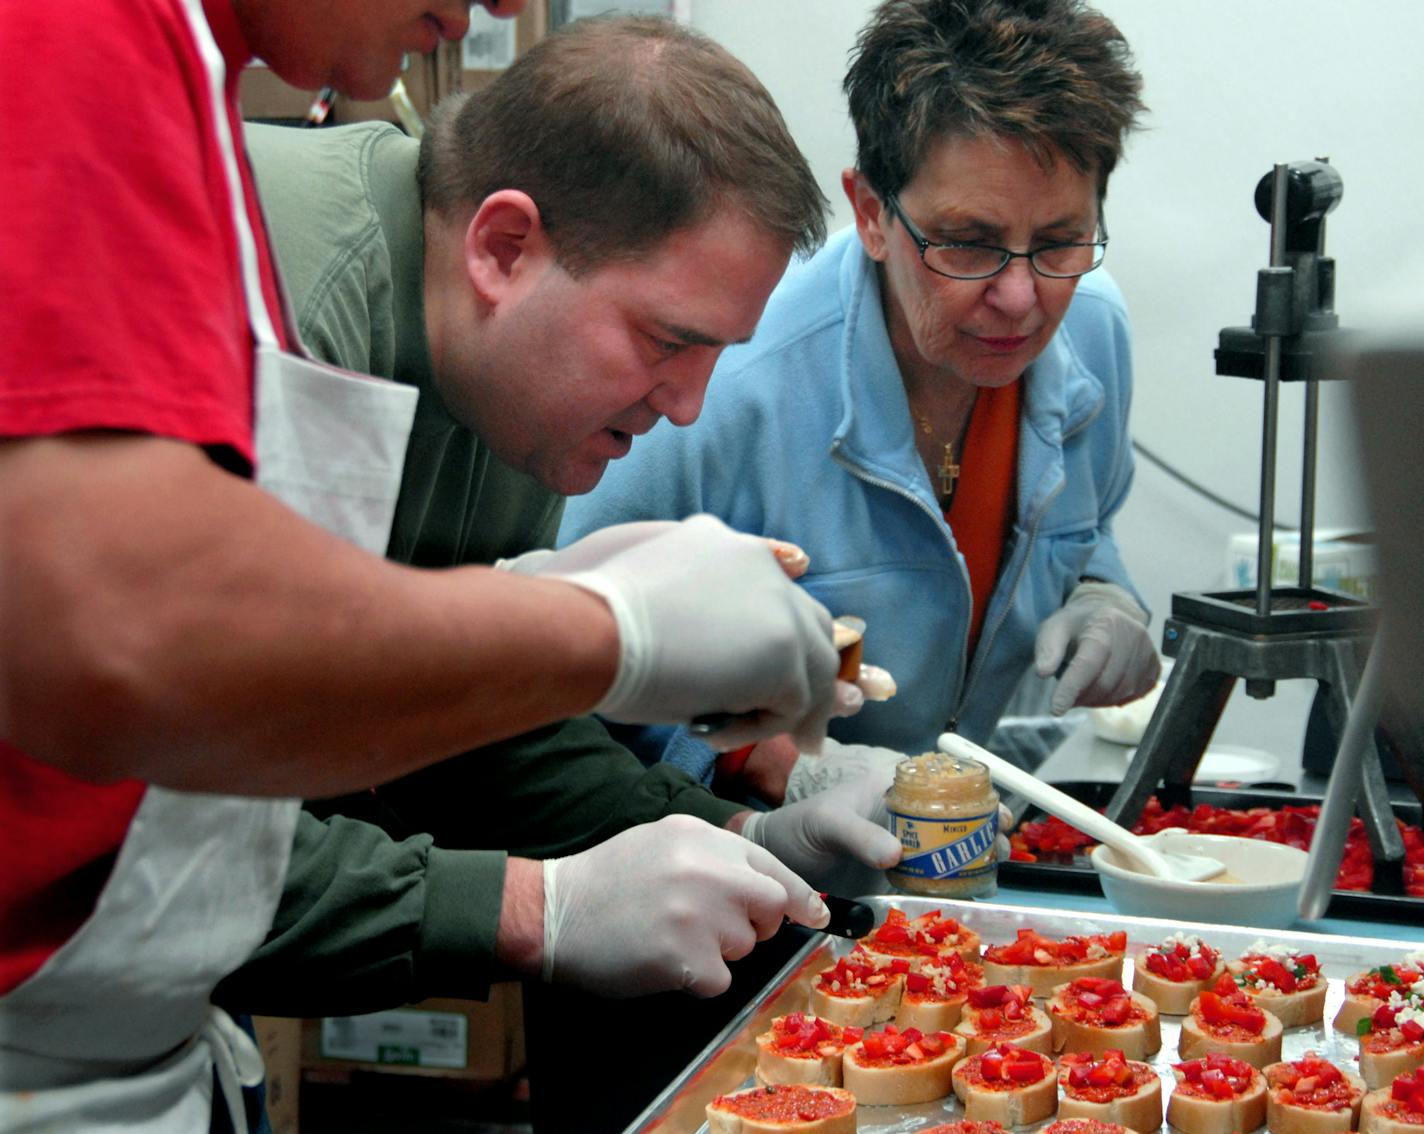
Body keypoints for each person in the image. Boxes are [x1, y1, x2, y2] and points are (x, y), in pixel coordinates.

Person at [0, 4, 887, 1131]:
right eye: (666, 341)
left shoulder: (511, 388)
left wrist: (732, 839)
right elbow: (196, 793)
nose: (687, 406)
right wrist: (534, 893)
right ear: (502, 250)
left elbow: (464, 729)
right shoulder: (296, 280)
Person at [561, 0, 1163, 804]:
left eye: (1060, 241)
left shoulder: (1092, 330)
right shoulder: (730, 383)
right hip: (746, 881)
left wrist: (1104, 592)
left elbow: (1081, 532)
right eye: (970, 243)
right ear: (872, 213)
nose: (1021, 298)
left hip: (965, 865)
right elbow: (562, 673)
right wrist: (764, 763)